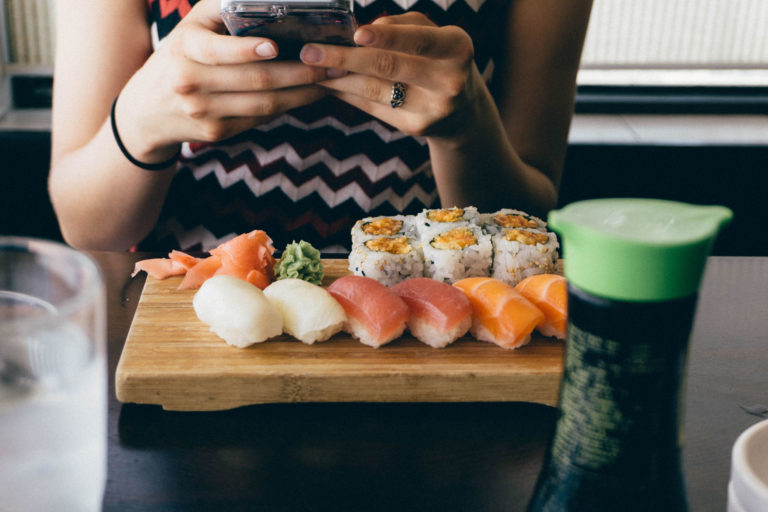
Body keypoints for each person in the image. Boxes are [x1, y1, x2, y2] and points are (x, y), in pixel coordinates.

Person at [48, 0, 593, 252]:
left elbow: (531, 221)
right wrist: (141, 122)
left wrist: (466, 129)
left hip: (430, 323)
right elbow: (86, 226)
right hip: (188, 318)